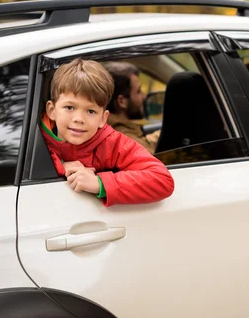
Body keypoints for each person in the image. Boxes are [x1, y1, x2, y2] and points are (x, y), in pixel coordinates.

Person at [39, 58, 174, 207]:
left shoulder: (111, 143)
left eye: (90, 111)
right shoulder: (33, 140)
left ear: (103, 118)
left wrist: (100, 183)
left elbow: (162, 180)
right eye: (70, 107)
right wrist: (59, 167)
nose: (79, 119)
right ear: (51, 110)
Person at [103, 61, 159, 154]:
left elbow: (144, 143)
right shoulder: (123, 138)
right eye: (138, 91)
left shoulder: (116, 131)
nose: (144, 96)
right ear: (122, 101)